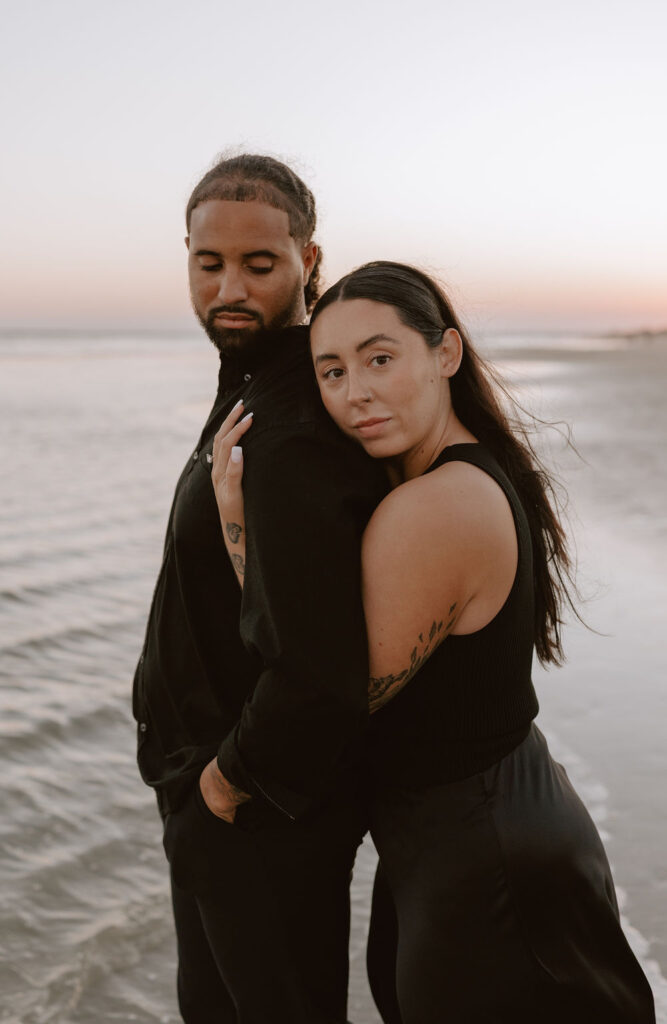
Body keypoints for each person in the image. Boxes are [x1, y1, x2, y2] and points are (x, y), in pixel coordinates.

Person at [212, 261, 656, 1023]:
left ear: (444, 354)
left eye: (379, 359)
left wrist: (223, 780)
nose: (355, 392)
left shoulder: (436, 507)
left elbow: (332, 697)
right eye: (331, 371)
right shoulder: (451, 478)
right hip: (476, 832)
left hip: (486, 861)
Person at [133, 155, 387, 1023]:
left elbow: (320, 665)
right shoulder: (252, 387)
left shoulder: (293, 427)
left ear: (308, 261)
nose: (228, 287)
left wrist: (219, 791)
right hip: (224, 793)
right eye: (209, 265)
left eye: (258, 264)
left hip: (252, 808)